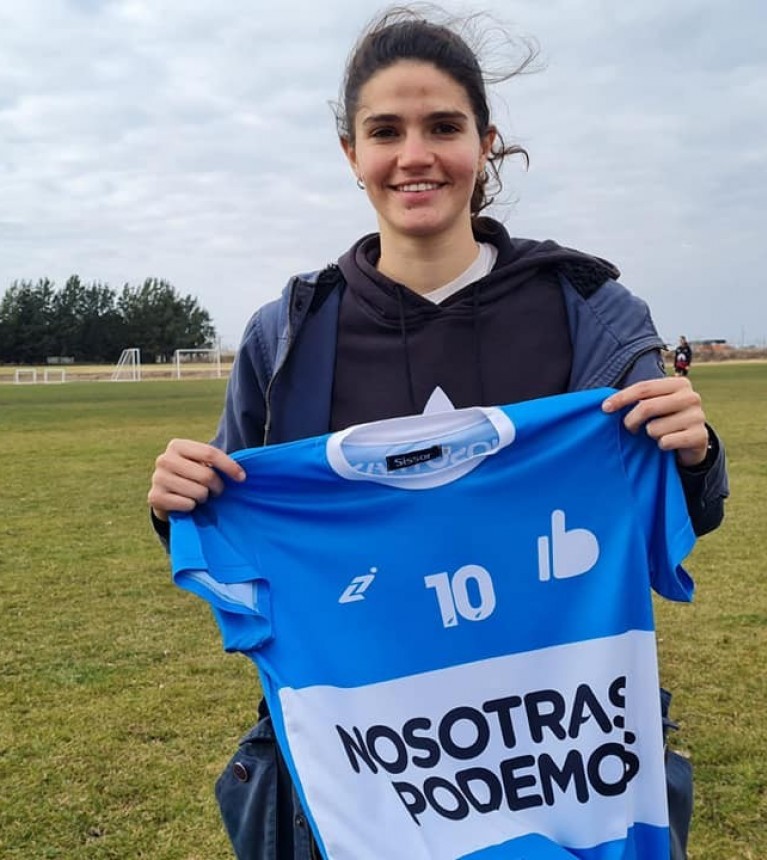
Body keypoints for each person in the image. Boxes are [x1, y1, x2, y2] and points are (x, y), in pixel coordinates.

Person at [148, 6, 728, 859]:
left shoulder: (590, 311)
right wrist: (180, 504)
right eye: (386, 130)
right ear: (352, 153)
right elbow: (242, 541)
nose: (414, 155)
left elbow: (682, 512)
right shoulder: (288, 336)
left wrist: (694, 450)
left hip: (556, 751)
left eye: (443, 126)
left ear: (485, 142)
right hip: (364, 766)